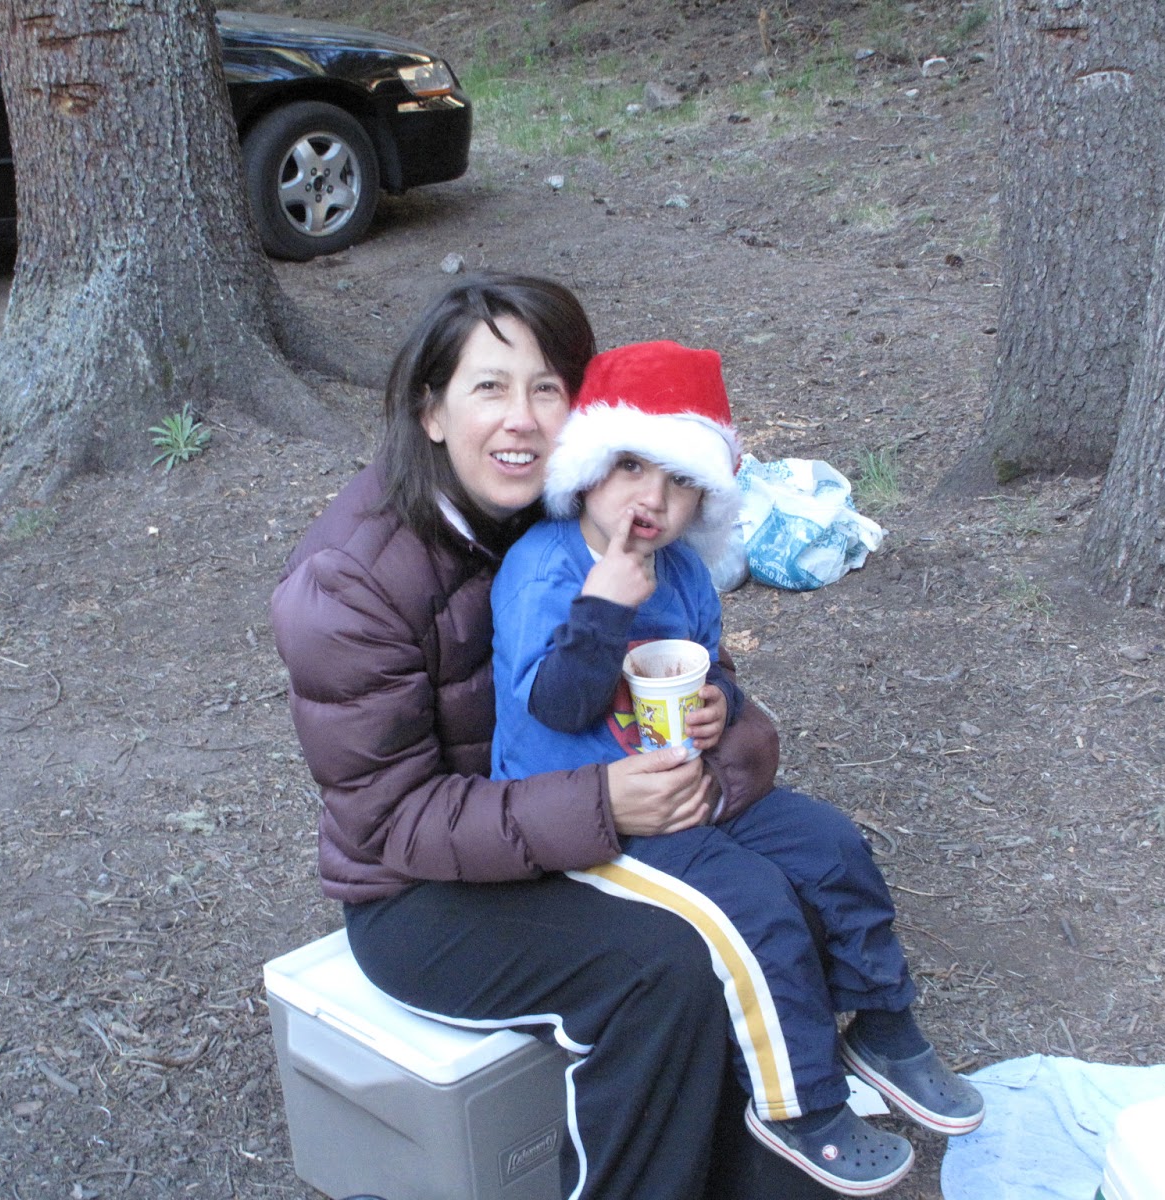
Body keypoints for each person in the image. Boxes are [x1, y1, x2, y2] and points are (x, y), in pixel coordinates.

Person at [268, 275, 787, 1200]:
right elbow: (393, 823)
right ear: (430, 411)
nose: (521, 418)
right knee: (657, 969)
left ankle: (765, 1164)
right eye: (488, 387)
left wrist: (731, 729)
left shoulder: (587, 514)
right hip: (421, 894)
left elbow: (683, 664)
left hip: (569, 826)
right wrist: (598, 802)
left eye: (547, 388)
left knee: (780, 878)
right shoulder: (347, 586)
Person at [489, 341, 985, 1196]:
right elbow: (560, 703)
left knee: (828, 845)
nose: (653, 498)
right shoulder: (546, 566)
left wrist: (718, 701)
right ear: (588, 468)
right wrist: (606, 599)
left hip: (690, 784)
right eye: (632, 467)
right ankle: (801, 1104)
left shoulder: (683, 571)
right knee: (756, 904)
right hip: (591, 814)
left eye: (680, 482)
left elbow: (709, 668)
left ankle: (884, 1021)